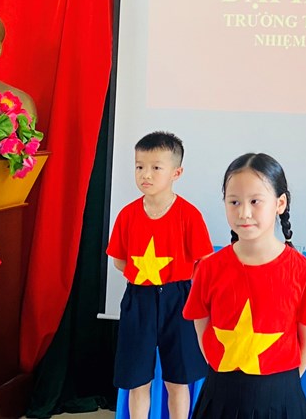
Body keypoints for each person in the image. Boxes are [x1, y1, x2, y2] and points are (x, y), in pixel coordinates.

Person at [183, 153, 306, 418]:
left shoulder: (305, 272)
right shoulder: (210, 268)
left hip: (281, 396)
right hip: (220, 393)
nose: (244, 213)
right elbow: (202, 322)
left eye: (255, 201)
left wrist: (281, 384)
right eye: (234, 202)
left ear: (280, 203)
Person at [106, 132, 214, 419]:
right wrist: (143, 277)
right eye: (140, 166)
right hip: (138, 299)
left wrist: (180, 280)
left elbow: (204, 262)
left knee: (178, 379)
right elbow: (119, 260)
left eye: (156, 167)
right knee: (137, 379)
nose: (146, 175)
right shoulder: (127, 215)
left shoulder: (189, 215)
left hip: (179, 299)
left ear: (176, 173)